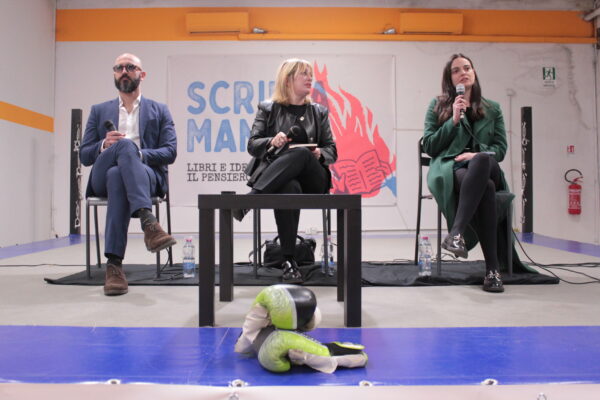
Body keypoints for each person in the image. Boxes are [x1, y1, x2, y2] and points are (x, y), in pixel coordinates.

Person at [80, 53, 177, 296]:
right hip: (101, 176)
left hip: (145, 175)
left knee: (118, 174)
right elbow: (85, 155)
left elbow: (170, 151)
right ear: (114, 74)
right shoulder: (99, 110)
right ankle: (148, 220)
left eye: (130, 67)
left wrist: (137, 154)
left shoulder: (159, 110)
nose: (124, 71)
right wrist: (104, 144)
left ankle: (114, 266)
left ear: (141, 74)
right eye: (119, 67)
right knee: (120, 151)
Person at [234, 58, 337, 284]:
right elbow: (252, 145)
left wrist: (320, 153)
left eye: (310, 74)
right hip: (281, 179)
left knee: (301, 153)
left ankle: (251, 199)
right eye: (304, 74)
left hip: (313, 179)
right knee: (288, 186)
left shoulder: (318, 111)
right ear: (288, 79)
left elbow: (332, 150)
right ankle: (289, 262)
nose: (310, 78)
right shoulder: (268, 108)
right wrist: (271, 141)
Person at [423, 53, 513, 293]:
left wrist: (476, 155)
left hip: (487, 165)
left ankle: (456, 232)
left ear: (474, 72)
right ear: (450, 79)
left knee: (482, 160)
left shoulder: (493, 109)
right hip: (452, 167)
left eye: (467, 68)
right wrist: (452, 120)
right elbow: (429, 146)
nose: (463, 72)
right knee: (487, 189)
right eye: (456, 70)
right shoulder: (437, 105)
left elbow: (500, 149)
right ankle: (492, 271)